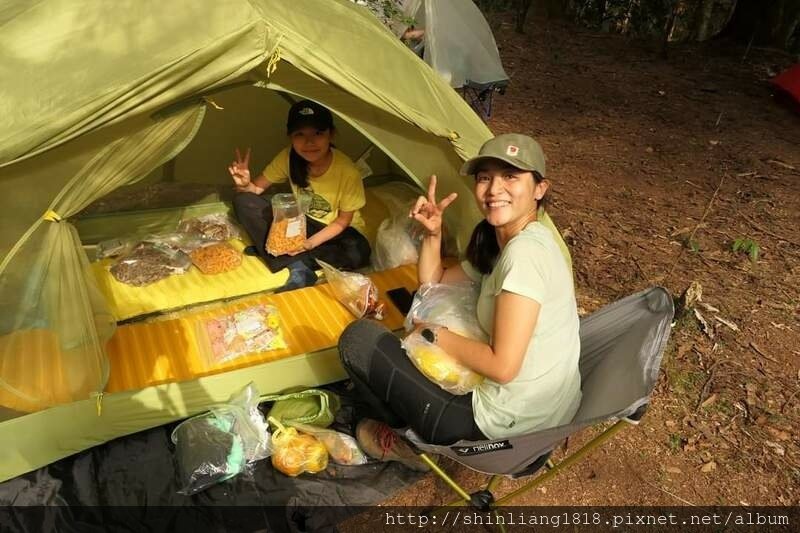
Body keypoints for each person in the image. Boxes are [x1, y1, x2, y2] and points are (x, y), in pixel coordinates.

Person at [338, 133, 581, 471]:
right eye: (485, 178)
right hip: (539, 412)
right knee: (406, 337)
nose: (494, 189)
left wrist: (434, 335)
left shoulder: (525, 255)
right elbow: (433, 280)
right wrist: (433, 234)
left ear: (540, 189)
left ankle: (413, 445)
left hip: (502, 430)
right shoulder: (508, 241)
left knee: (358, 340)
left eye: (511, 176)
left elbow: (503, 367)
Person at [229, 100, 371, 292]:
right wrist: (245, 185)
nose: (309, 142)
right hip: (300, 222)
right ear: (290, 137)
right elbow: (255, 190)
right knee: (243, 201)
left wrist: (308, 244)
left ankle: (280, 254)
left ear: (331, 134)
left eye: (318, 133)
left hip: (337, 232)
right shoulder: (288, 157)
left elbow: (342, 222)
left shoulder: (347, 171)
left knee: (359, 253)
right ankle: (297, 264)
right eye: (300, 134)